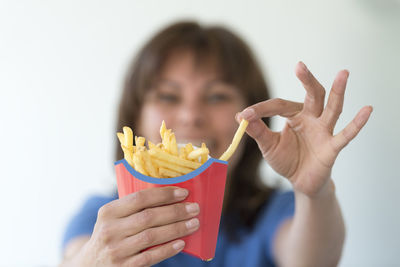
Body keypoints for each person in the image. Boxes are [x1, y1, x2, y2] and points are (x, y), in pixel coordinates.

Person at [60, 21, 372, 267]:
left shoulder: (273, 213)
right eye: (168, 96)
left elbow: (312, 260)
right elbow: (74, 255)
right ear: (135, 114)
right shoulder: (102, 218)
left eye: (216, 96)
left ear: (251, 116)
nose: (191, 116)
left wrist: (313, 193)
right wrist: (93, 260)